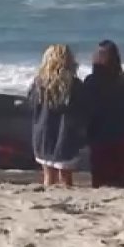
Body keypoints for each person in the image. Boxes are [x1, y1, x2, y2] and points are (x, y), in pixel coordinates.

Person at [26, 44, 88, 187]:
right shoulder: (75, 85)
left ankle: (49, 198)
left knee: (48, 176)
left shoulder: (39, 84)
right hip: (66, 137)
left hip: (43, 136)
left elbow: (32, 106)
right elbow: (83, 111)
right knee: (66, 178)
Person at [84, 40, 124, 187]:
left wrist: (85, 134)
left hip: (99, 136)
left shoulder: (91, 81)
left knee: (99, 177)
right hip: (122, 136)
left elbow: (85, 110)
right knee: (120, 177)